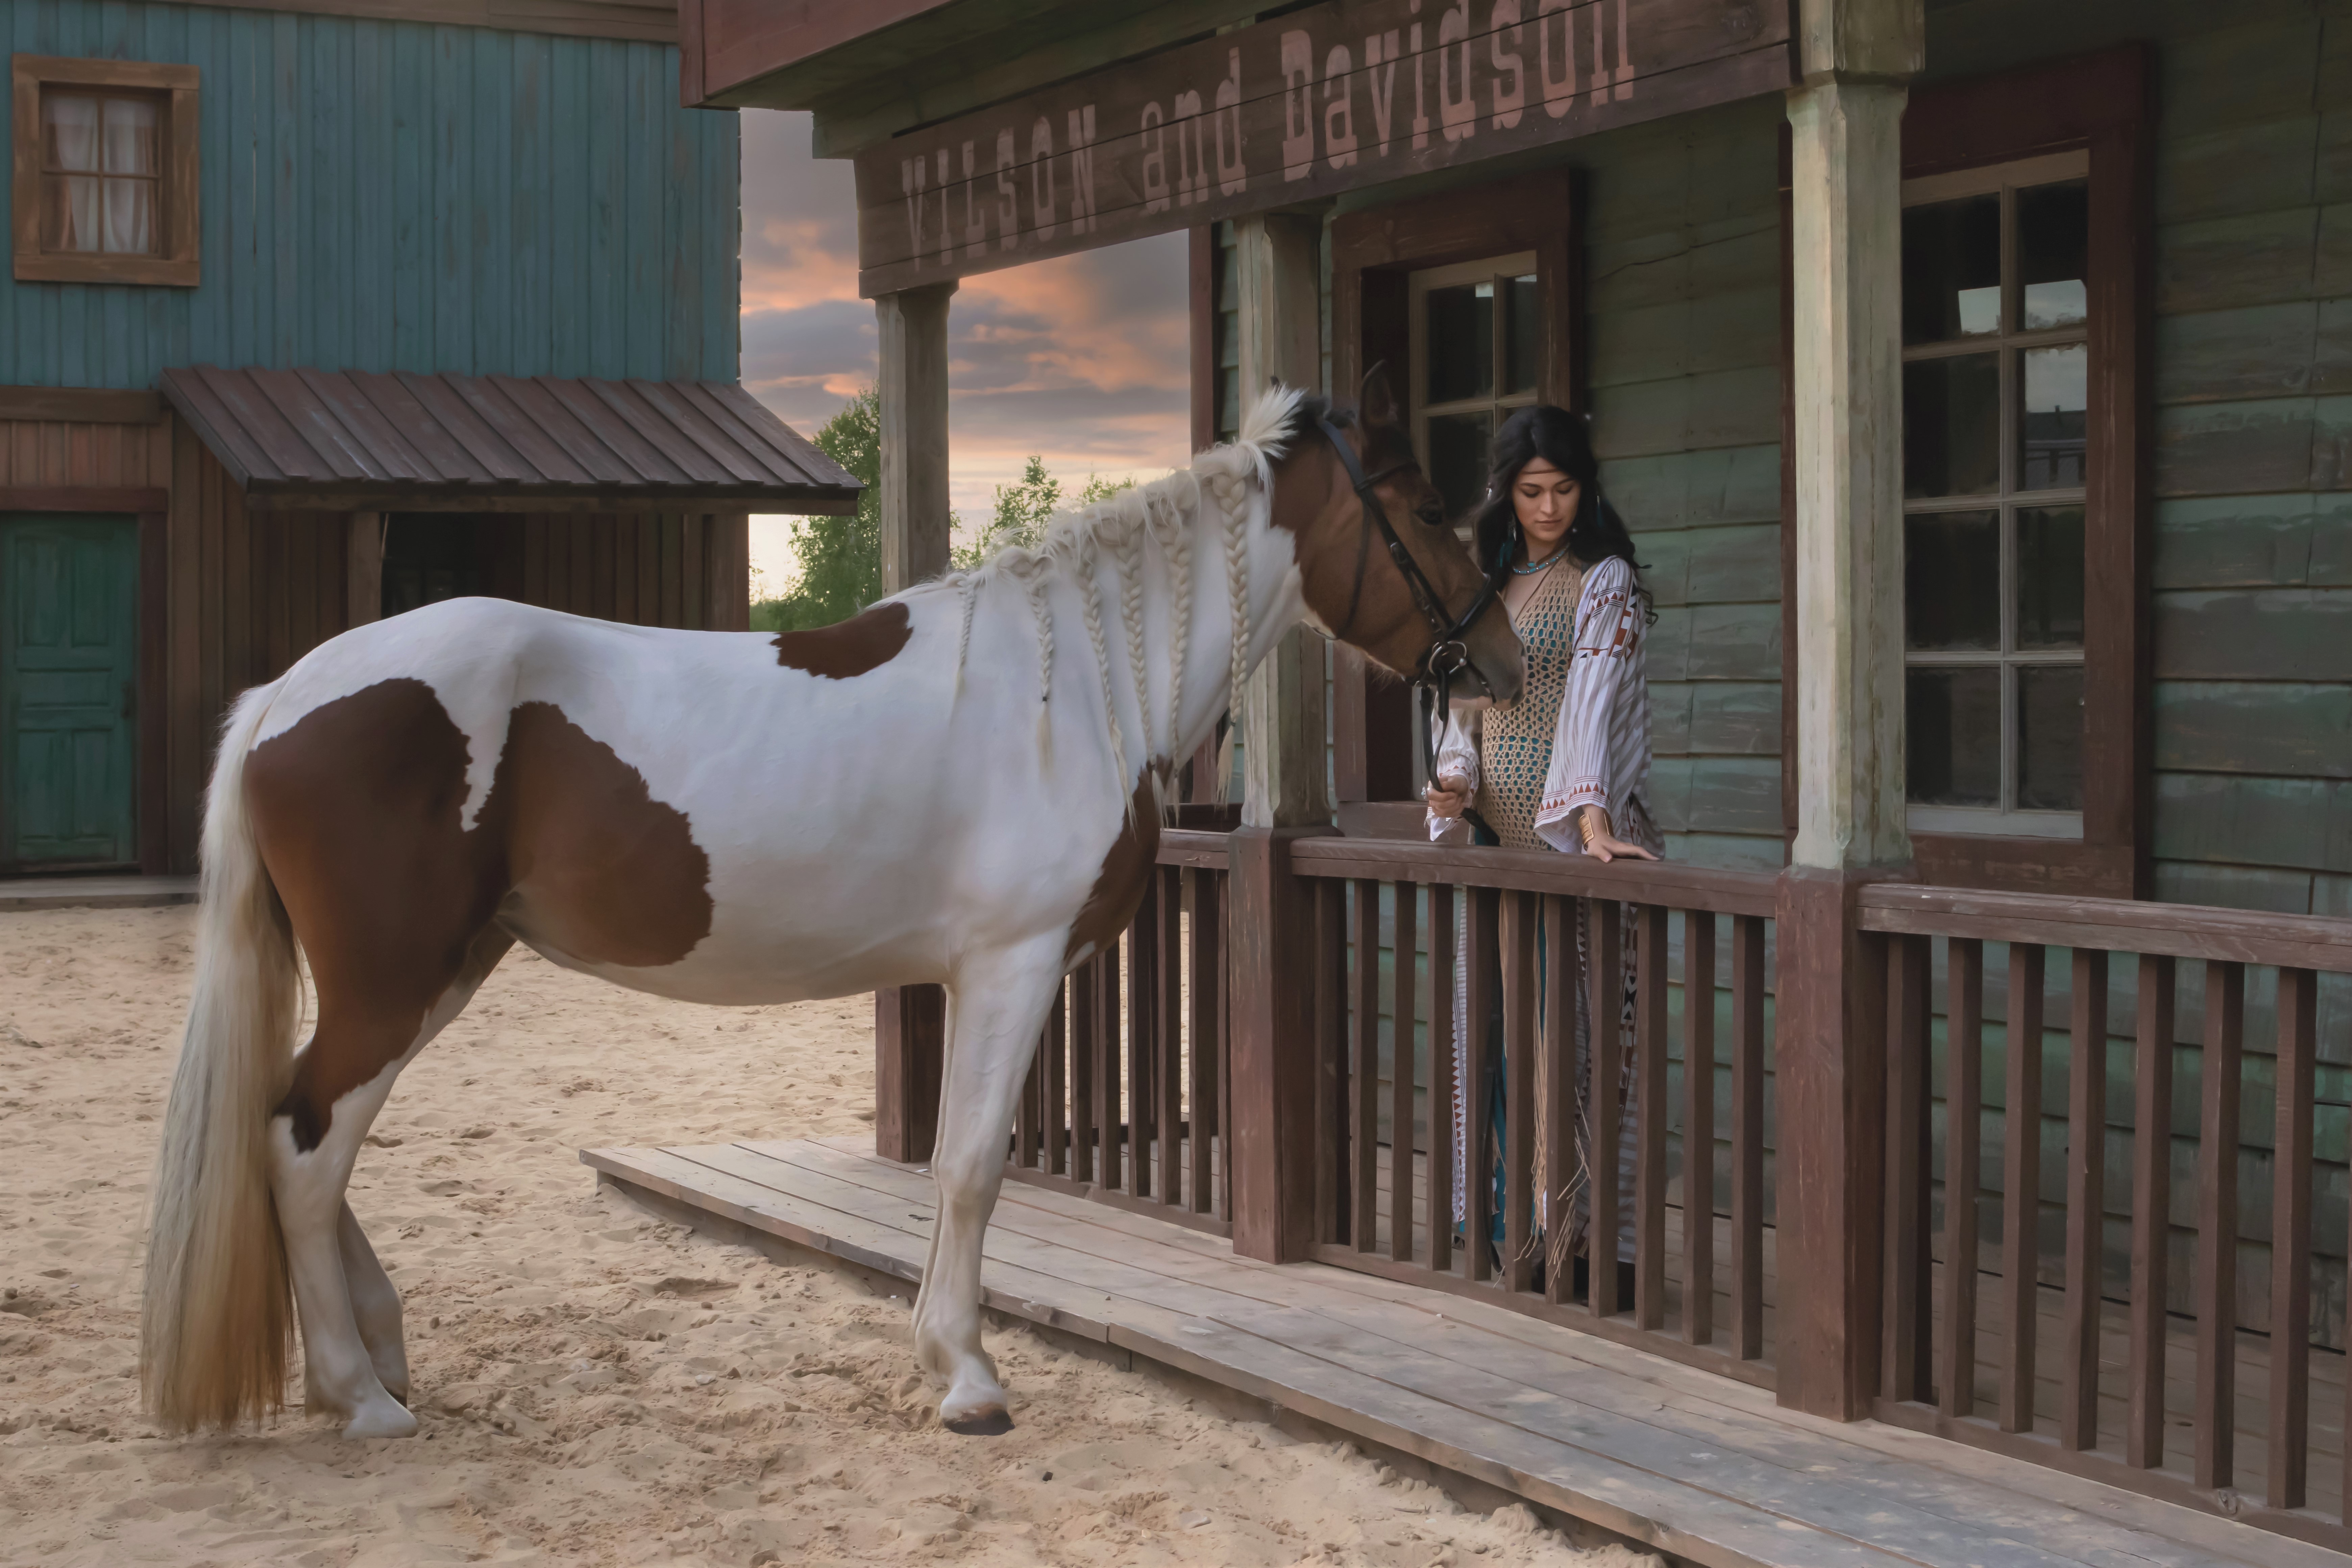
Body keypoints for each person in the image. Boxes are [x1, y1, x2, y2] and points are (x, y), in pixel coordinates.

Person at [1424, 404, 1659, 1289]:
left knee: (1586, 1056)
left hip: (1574, 854)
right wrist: (1454, 785)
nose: (1549, 507)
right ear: (1506, 492)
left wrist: (1590, 820)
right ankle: (1505, 1232)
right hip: (1495, 849)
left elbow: (1594, 706)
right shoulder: (1481, 585)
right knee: (1497, 1041)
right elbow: (1462, 710)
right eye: (1532, 491)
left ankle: (1593, 1249)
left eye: (1565, 489)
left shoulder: (1605, 582)